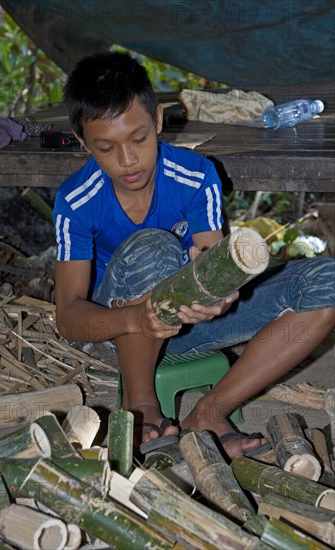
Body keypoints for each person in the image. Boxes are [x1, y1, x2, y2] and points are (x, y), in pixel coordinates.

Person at [53, 50, 335, 459]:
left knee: (326, 283)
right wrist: (134, 316)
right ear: (83, 143)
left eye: (139, 139)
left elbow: (209, 259)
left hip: (192, 323)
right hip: (118, 329)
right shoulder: (76, 200)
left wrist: (219, 295)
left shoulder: (196, 174)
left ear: (159, 121)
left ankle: (211, 410)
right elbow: (68, 318)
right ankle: (142, 407)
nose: (128, 160)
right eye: (106, 148)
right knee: (155, 248)